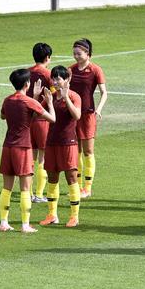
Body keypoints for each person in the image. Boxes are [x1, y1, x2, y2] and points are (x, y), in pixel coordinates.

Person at [0, 68, 56, 233]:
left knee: (6, 188)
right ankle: (25, 225)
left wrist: (35, 98)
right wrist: (49, 103)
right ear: (27, 84)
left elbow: (3, 116)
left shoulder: (7, 100)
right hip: (23, 147)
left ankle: (3, 222)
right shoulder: (30, 102)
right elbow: (52, 119)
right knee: (25, 188)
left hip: (7, 146)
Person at [40, 65, 82, 227]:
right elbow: (37, 113)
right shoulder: (50, 97)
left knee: (71, 178)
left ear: (67, 80)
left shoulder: (74, 96)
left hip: (68, 143)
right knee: (52, 178)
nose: (55, 81)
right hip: (51, 142)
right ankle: (52, 215)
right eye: (54, 78)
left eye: (59, 78)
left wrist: (65, 99)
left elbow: (77, 116)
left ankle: (74, 216)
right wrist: (38, 96)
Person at [69, 38, 107, 198]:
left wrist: (98, 109)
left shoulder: (95, 70)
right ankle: (76, 185)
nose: (76, 56)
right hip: (73, 115)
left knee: (88, 150)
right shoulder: (70, 70)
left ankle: (88, 187)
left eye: (79, 53)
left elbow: (104, 92)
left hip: (88, 114)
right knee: (75, 150)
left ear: (88, 53)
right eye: (74, 53)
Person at [28, 43, 54, 204]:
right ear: (47, 58)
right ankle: (39, 193)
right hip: (43, 119)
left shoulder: (26, 73)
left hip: (28, 120)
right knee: (43, 158)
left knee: (30, 157)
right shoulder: (48, 74)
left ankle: (29, 192)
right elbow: (55, 94)